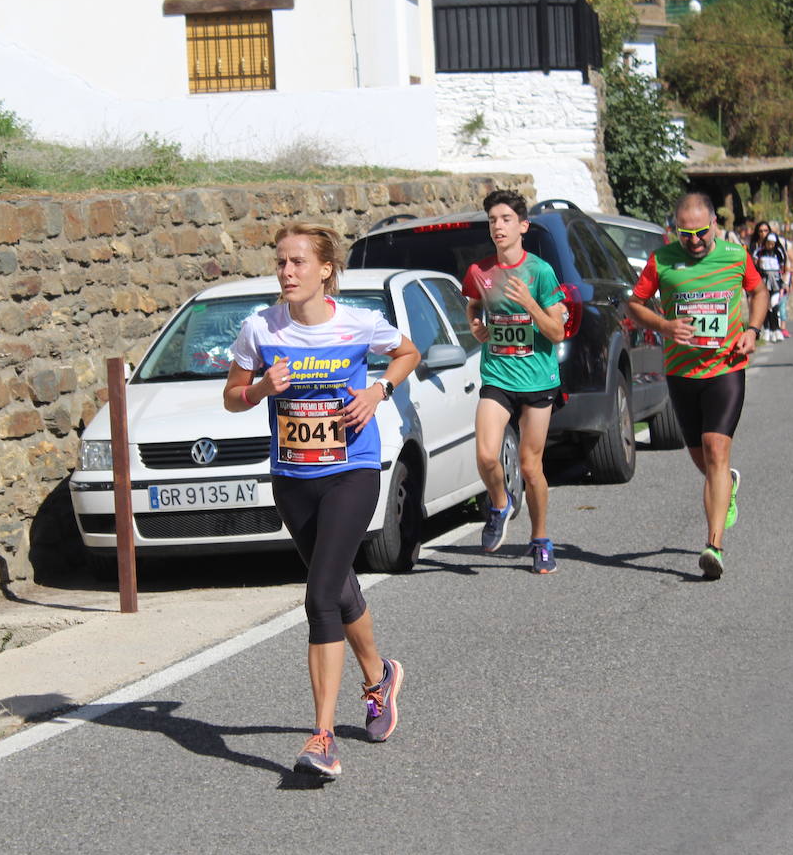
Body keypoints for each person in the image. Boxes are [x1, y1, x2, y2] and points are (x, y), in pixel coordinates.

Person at [224, 222, 420, 779]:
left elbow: (406, 354)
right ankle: (379, 676)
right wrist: (262, 387)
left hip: (350, 472)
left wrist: (378, 389)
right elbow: (233, 397)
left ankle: (323, 737)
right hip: (293, 478)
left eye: (298, 263)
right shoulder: (260, 328)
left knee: (318, 596)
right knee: (337, 586)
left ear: (325, 269)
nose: (286, 272)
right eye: (281, 262)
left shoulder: (358, 323)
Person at [627, 192, 767, 580]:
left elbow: (758, 291)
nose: (694, 241)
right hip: (682, 372)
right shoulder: (662, 261)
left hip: (725, 367)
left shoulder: (735, 257)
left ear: (715, 226)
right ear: (675, 231)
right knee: (702, 462)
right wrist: (665, 326)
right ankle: (728, 485)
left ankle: (714, 546)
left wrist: (752, 330)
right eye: (685, 234)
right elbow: (634, 304)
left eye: (701, 232)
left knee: (715, 448)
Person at [462, 190, 569, 573]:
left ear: (522, 226)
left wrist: (530, 304)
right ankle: (499, 503)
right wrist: (476, 323)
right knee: (487, 455)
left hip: (538, 379)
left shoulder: (539, 272)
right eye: (492, 220)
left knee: (529, 466)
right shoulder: (479, 272)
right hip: (497, 375)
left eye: (506, 219)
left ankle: (540, 539)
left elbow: (557, 332)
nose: (498, 226)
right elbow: (474, 302)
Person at [749, 224, 786, 341]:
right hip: (763, 284)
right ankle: (767, 330)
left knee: (773, 306)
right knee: (765, 307)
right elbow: (755, 266)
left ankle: (776, 329)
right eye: (768, 242)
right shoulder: (759, 253)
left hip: (776, 284)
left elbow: (783, 269)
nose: (770, 245)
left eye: (772, 243)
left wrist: (784, 283)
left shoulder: (779, 253)